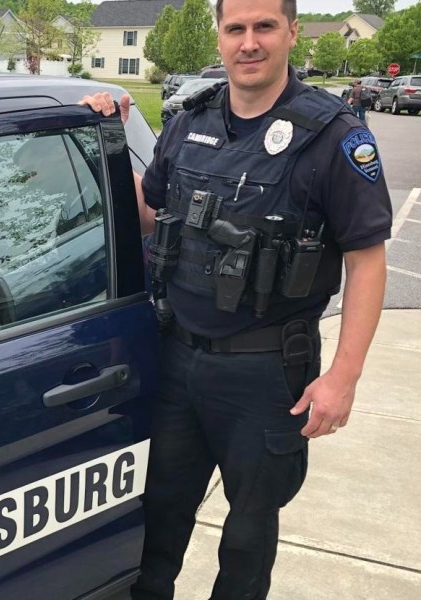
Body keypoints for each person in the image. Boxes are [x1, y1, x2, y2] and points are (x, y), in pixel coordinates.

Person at [79, 0, 392, 598]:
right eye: (236, 29)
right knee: (159, 519)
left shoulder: (334, 137)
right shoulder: (187, 122)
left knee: (248, 537)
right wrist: (109, 138)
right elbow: (152, 217)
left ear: (292, 34)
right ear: (220, 38)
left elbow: (366, 258)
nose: (249, 43)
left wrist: (344, 378)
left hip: (267, 372)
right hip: (178, 360)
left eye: (264, 27)